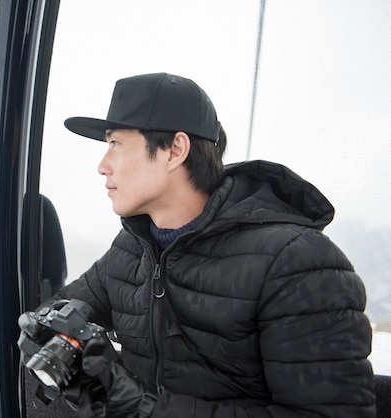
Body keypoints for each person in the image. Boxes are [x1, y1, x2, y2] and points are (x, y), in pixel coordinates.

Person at [18, 72, 375, 417]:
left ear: (175, 150)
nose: (102, 165)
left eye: (115, 143)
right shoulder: (132, 248)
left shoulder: (297, 263)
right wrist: (44, 331)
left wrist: (136, 407)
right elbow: (66, 307)